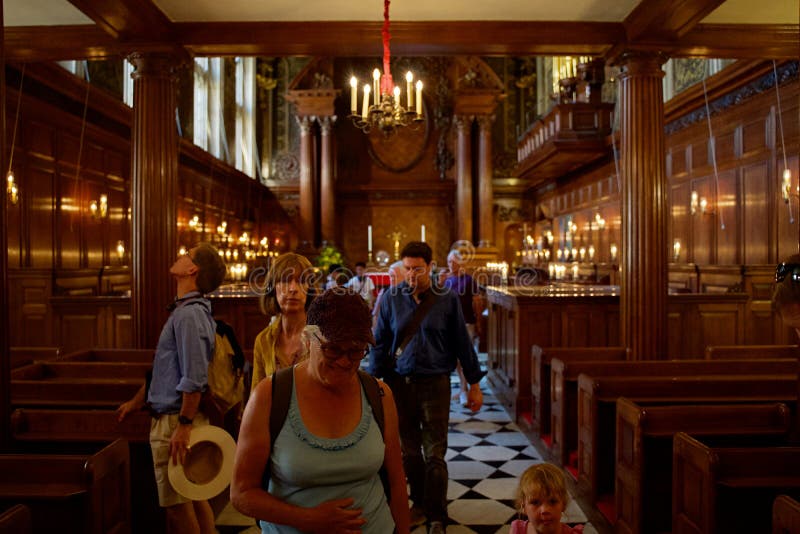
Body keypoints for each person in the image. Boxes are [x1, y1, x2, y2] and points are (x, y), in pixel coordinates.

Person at [230, 289, 410, 534]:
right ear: (308, 338)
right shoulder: (269, 396)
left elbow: (397, 483)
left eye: (356, 351)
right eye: (333, 349)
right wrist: (305, 519)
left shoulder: (378, 395)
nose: (345, 362)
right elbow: (241, 493)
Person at [369, 241, 485, 534]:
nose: (411, 274)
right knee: (409, 453)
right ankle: (419, 503)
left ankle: (437, 514)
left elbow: (462, 341)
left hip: (436, 383)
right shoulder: (391, 298)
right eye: (407, 268)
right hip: (400, 384)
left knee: (435, 453)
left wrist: (474, 384)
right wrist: (374, 385)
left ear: (430, 268)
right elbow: (380, 344)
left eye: (417, 269)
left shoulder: (446, 299)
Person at [117, 243, 227, 534]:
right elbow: (166, 369)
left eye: (187, 254)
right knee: (193, 495)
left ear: (192, 270)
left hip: (174, 423)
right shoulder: (186, 311)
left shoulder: (189, 315)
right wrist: (137, 400)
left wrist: (184, 425)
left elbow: (194, 376)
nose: (180, 255)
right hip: (174, 418)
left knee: (177, 508)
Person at [251, 253, 316, 387]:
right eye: (285, 281)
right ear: (273, 287)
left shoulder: (320, 338)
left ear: (309, 288)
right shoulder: (264, 340)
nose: (293, 289)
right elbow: (256, 396)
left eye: (301, 281)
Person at [442, 249, 484, 406]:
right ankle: (463, 387)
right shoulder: (447, 281)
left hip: (467, 321)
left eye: (453, 261)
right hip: (450, 324)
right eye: (448, 262)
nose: (450, 264)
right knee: (455, 359)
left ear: (460, 262)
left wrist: (479, 322)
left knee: (466, 356)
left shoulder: (469, 280)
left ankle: (468, 389)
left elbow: (477, 302)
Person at [511, 463, 583, 534]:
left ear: (563, 504)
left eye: (552, 501)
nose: (545, 510)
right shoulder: (517, 530)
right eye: (535, 502)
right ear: (523, 506)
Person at [372, 260, 407, 326]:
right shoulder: (384, 292)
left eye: (395, 277)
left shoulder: (411, 292)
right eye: (391, 276)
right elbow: (375, 315)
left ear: (405, 277)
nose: (392, 280)